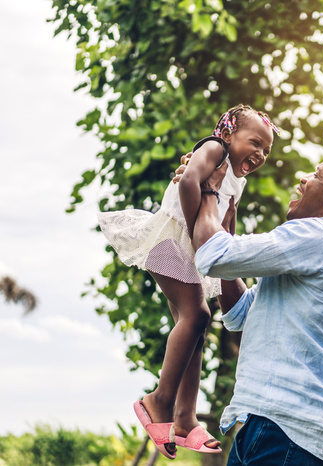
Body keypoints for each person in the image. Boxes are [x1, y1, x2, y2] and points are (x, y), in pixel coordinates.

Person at [97, 104, 279, 459]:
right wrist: (199, 234)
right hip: (172, 238)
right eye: (254, 142)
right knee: (198, 317)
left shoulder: (237, 181)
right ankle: (158, 402)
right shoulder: (214, 149)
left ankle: (185, 418)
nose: (259, 154)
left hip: (194, 250)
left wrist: (225, 253)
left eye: (266, 151)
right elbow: (188, 182)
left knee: (194, 328)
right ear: (228, 134)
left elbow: (228, 222)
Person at [189, 153, 323, 465]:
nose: (303, 178)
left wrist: (210, 190)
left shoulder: (320, 235)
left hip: (288, 433)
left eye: (316, 175)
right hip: (277, 426)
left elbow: (212, 256)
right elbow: (239, 315)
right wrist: (225, 227)